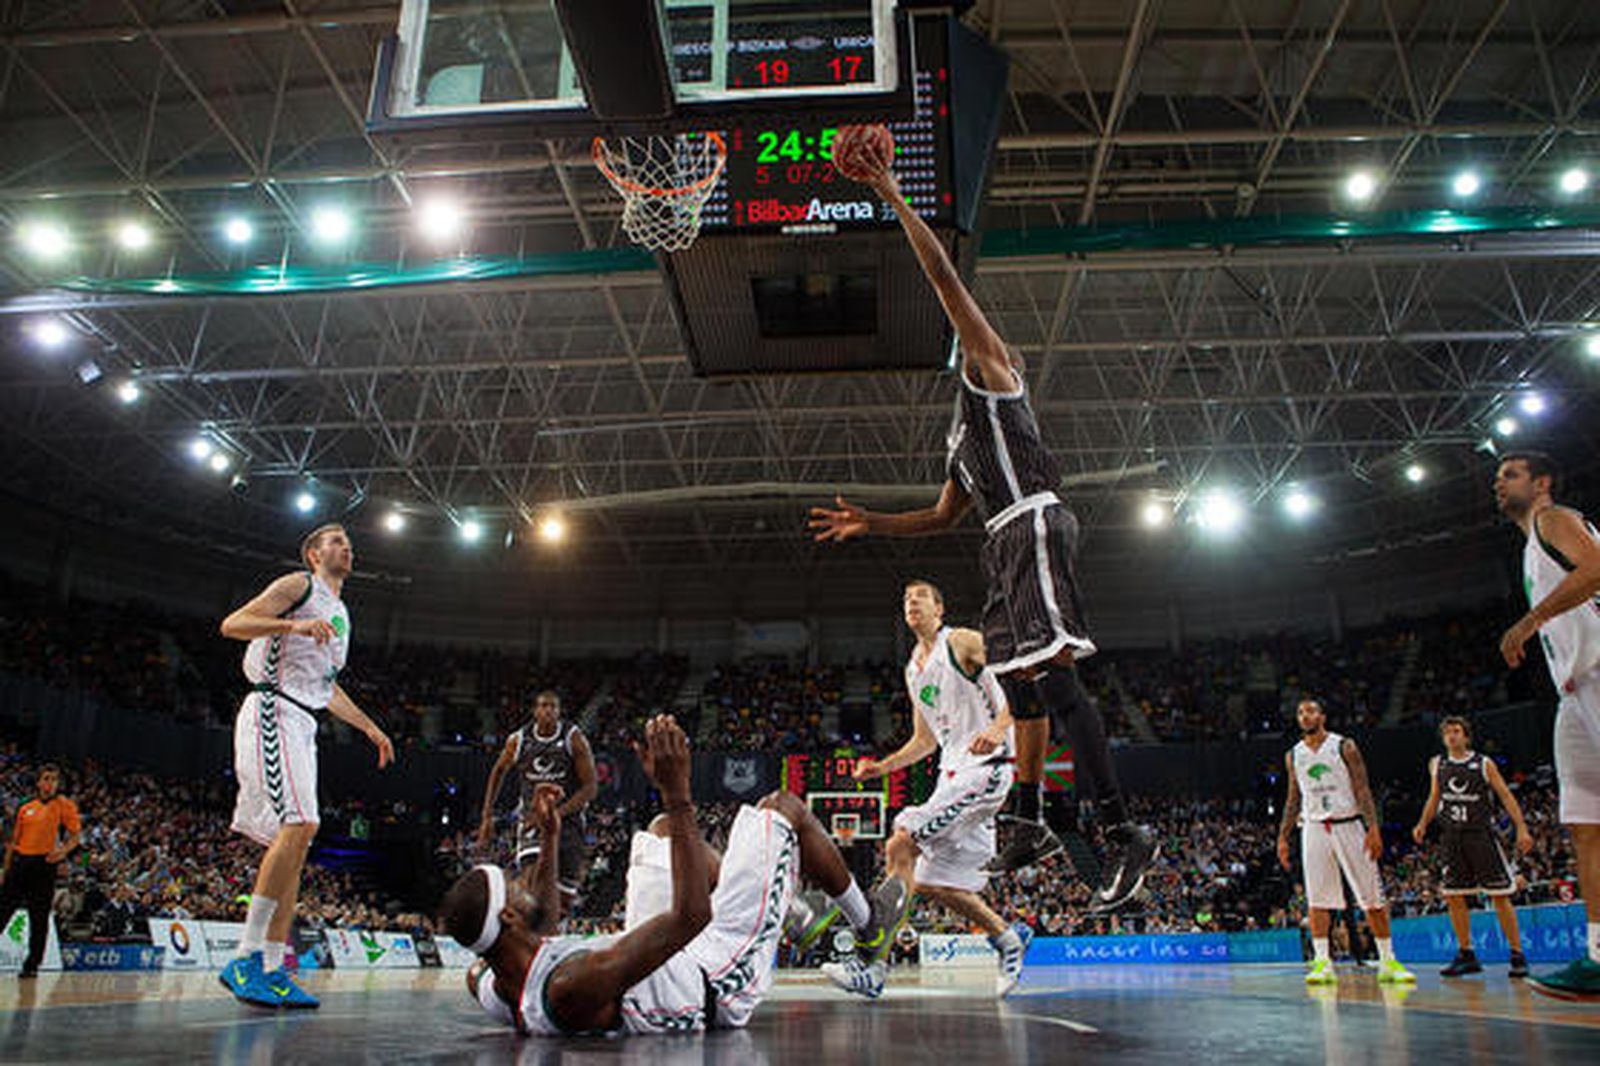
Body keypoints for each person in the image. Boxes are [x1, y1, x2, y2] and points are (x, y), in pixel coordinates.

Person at [810, 125, 1154, 910]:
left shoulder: (994, 375)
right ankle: (1029, 815)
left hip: (1033, 523)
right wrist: (873, 523)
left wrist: (890, 192)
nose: (975, 343)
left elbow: (941, 279)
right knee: (1018, 682)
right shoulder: (961, 431)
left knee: (1057, 686)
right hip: (1003, 545)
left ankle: (1120, 828)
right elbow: (939, 516)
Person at [438, 715, 909, 1036]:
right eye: (513, 885)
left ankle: (784, 908)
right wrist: (676, 793)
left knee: (661, 835)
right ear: (507, 915)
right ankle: (870, 926)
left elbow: (541, 923)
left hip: (655, 952)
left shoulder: (491, 977)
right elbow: (690, 917)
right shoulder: (569, 986)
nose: (521, 884)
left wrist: (552, 836)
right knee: (780, 808)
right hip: (715, 974)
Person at [216, 523, 395, 1008]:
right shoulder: (299, 586)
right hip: (272, 707)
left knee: (296, 842)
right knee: (301, 823)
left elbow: (326, 687)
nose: (347, 547)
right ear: (314, 554)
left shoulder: (340, 613)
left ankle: (274, 967)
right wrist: (292, 624)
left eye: (349, 542)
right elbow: (233, 624)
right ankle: (246, 956)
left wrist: (368, 726)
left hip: (303, 718)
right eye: (335, 541)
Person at [830, 579, 1029, 998]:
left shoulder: (960, 641)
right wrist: (881, 767)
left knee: (899, 848)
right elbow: (924, 742)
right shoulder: (913, 669)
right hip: (953, 775)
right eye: (905, 599)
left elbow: (1022, 677)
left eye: (920, 597)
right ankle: (1008, 940)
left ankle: (873, 966)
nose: (911, 602)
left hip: (987, 769)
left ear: (939, 609)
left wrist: (998, 728)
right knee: (927, 882)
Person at [1495, 450, 1600, 1001]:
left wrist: (1532, 619)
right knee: (1585, 825)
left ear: (1542, 483)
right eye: (1497, 476)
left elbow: (1597, 567)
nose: (1498, 483)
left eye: (1510, 474)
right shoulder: (1530, 544)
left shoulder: (1552, 518)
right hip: (1574, 691)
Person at [1276, 699, 1415, 985]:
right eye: (1301, 712)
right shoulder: (1294, 754)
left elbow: (1362, 787)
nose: (1305, 716)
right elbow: (1293, 797)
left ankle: (1388, 961)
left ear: (1323, 716)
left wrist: (1373, 826)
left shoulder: (1344, 746)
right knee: (1317, 899)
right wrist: (1283, 836)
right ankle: (1322, 963)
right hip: (1313, 827)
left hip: (1349, 824)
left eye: (1311, 711)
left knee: (1371, 896)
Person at [1411, 715, 1533, 978]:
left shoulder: (1483, 764)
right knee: (1453, 895)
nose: (1452, 736)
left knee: (1499, 895)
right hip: (1452, 837)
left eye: (1457, 731)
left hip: (1481, 836)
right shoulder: (1437, 764)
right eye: (1447, 732)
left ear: (1466, 736)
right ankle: (1466, 954)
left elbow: (1505, 795)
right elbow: (1434, 798)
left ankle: (1517, 954)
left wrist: (1521, 827)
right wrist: (1422, 823)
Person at [477, 690, 597, 916]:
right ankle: (513, 926)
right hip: (532, 821)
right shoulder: (519, 740)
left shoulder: (573, 738)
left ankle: (549, 941)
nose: (549, 711)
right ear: (535, 711)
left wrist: (555, 816)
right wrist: (487, 816)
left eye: (553, 707)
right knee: (532, 882)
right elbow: (498, 771)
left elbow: (591, 787)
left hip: (569, 822)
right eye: (543, 706)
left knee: (564, 901)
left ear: (559, 712)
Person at [0, 764, 80, 978]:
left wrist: (62, 852)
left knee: (39, 915)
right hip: (20, 862)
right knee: (3, 908)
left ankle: (32, 964)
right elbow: (13, 842)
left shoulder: (64, 805)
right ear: (38, 782)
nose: (50, 783)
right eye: (46, 778)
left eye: (54, 779)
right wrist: (5, 869)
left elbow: (75, 837)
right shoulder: (26, 807)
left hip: (44, 864)